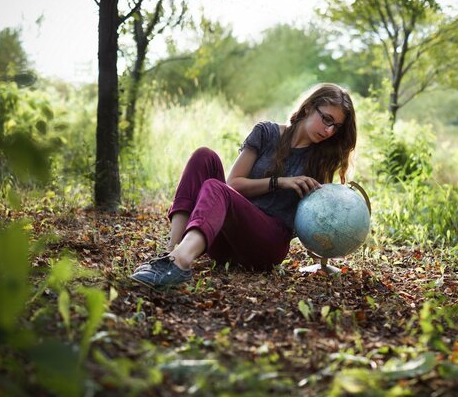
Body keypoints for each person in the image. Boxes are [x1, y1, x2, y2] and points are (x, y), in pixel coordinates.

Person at [130, 83, 357, 290]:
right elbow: (233, 185)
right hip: (224, 236)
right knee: (204, 157)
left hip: (266, 244)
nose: (329, 131)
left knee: (215, 188)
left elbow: (318, 215)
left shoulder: (321, 159)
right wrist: (280, 183)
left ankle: (180, 263)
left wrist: (325, 253)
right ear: (309, 108)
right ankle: (170, 254)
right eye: (326, 119)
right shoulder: (266, 133)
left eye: (335, 127)